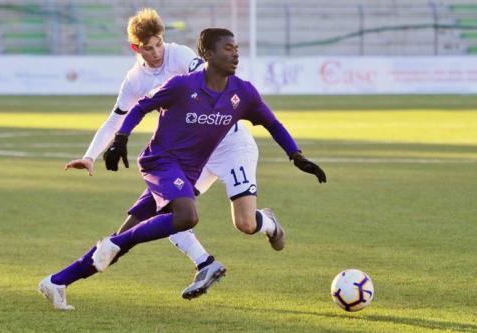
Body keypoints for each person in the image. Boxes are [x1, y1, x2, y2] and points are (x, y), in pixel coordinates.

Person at [41, 27, 326, 310]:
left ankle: (57, 281)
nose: (236, 53)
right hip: (161, 163)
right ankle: (188, 259)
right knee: (185, 216)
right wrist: (121, 138)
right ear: (208, 54)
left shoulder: (244, 93)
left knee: (127, 235)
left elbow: (272, 124)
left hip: (196, 166)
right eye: (228, 48)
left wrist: (296, 155)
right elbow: (140, 106)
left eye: (237, 48)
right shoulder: (182, 85)